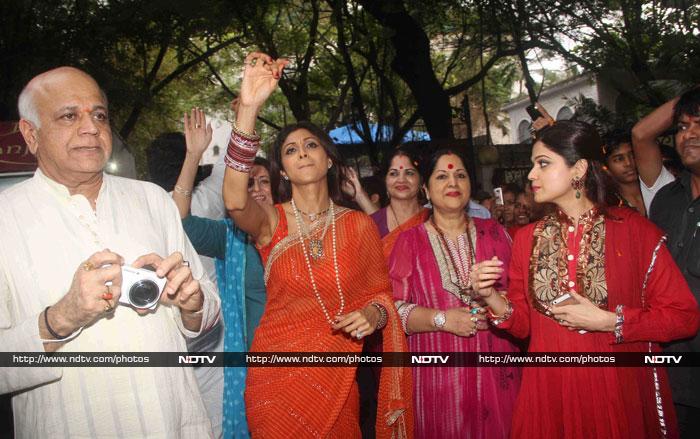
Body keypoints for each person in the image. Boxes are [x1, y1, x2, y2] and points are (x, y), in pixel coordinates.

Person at [0, 67, 220, 437]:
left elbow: (207, 310)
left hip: (175, 424)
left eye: (98, 115)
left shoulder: (152, 199)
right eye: (69, 116)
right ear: (30, 134)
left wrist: (192, 302)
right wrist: (59, 319)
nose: (91, 128)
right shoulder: (7, 218)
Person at [222, 52, 412, 438]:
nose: (302, 153)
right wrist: (248, 111)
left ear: (328, 160)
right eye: (290, 150)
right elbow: (235, 201)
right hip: (276, 380)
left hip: (337, 380)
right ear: (282, 168)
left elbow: (381, 296)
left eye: (311, 145)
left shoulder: (358, 225)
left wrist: (374, 316)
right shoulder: (271, 220)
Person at [471, 120, 699, 438]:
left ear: (578, 169)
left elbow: (683, 317)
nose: (531, 175)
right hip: (550, 392)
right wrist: (490, 296)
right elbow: (524, 325)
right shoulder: (527, 239)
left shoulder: (636, 233)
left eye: (543, 164)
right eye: (533, 165)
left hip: (616, 392)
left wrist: (611, 321)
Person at [389, 149, 521, 438]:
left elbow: (521, 299)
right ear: (425, 188)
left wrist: (495, 307)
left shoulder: (496, 232)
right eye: (442, 176)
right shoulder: (409, 242)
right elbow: (392, 311)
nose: (453, 182)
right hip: (438, 377)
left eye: (460, 175)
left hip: (497, 372)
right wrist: (442, 319)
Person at [171, 108, 273, 438]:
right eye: (249, 182)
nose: (256, 189)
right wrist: (193, 155)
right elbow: (181, 220)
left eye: (264, 181)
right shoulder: (230, 237)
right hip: (252, 369)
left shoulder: (300, 232)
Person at [645, 87, 700, 438]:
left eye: (699, 124)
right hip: (670, 375)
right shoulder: (665, 199)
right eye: (681, 126)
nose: (689, 134)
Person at [368, 149, 430, 258]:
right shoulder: (371, 225)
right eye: (393, 173)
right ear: (385, 181)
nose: (401, 179)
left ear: (420, 180)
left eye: (409, 173)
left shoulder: (434, 218)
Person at [602, 129, 646, 215]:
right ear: (606, 166)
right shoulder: (608, 202)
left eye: (632, 155)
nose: (628, 163)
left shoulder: (657, 189)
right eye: (619, 159)